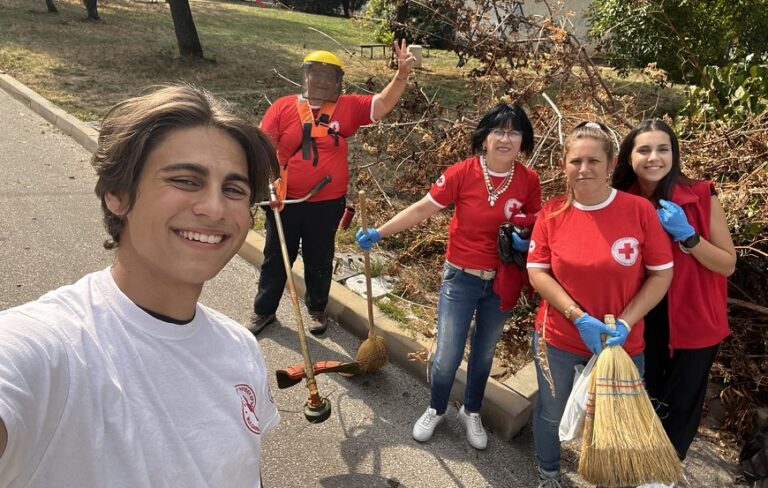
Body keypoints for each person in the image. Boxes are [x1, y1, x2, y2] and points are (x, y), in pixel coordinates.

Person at [0, 85, 281, 487]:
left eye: (233, 190)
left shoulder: (240, 349)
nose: (215, 208)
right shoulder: (48, 348)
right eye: (185, 180)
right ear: (117, 193)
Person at [356, 103, 542, 450]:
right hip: (461, 277)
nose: (505, 138)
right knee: (447, 354)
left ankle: (471, 411)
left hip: (502, 281)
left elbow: (537, 227)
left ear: (523, 140)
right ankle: (436, 407)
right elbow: (424, 207)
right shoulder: (462, 172)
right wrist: (381, 232)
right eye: (498, 130)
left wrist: (529, 238)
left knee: (484, 353)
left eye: (514, 131)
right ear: (484, 138)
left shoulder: (529, 181)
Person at [526, 122, 674, 487]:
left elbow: (661, 275)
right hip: (558, 339)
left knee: (613, 418)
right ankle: (548, 472)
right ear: (564, 165)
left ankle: (606, 476)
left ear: (611, 163)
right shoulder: (552, 212)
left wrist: (624, 323)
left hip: (621, 344)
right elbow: (537, 272)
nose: (583, 168)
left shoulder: (638, 211)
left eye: (594, 160)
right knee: (551, 412)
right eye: (575, 160)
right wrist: (577, 317)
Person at [250, 41, 416, 336]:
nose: (323, 81)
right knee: (277, 256)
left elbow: (382, 103)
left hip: (327, 201)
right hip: (285, 200)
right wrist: (269, 187)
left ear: (338, 81)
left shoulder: (347, 107)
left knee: (319, 257)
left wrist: (401, 74)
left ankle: (316, 309)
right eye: (317, 74)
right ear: (306, 77)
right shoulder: (282, 107)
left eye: (330, 76)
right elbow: (263, 150)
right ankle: (264, 312)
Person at [613, 119, 736, 464]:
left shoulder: (699, 195)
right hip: (642, 314)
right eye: (644, 150)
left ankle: (662, 473)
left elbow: (727, 264)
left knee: (681, 404)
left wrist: (689, 236)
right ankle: (633, 462)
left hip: (694, 318)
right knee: (640, 395)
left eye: (663, 149)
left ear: (674, 153)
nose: (655, 158)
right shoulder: (622, 200)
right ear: (629, 157)